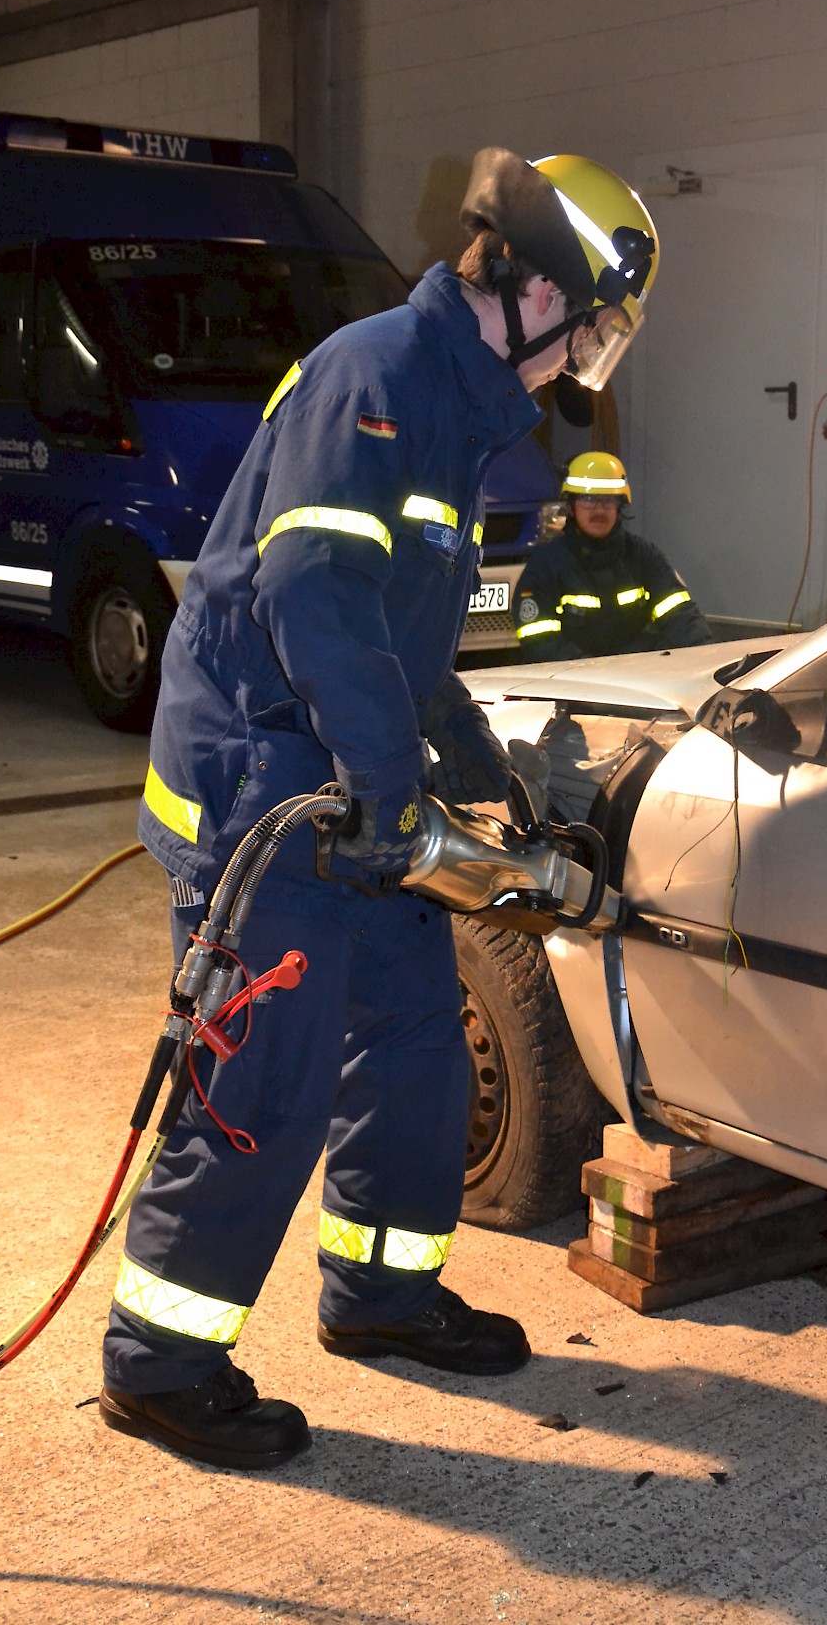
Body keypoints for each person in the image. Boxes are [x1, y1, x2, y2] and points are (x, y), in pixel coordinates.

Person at [97, 147, 661, 1470]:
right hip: (264, 790)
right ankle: (160, 1362)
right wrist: (399, 800)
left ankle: (382, 1295)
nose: (579, 364)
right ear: (528, 290)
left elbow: (409, 654)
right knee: (265, 1077)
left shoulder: (456, 419)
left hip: (350, 783)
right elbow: (313, 604)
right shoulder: (377, 380)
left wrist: (495, 791)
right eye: (585, 330)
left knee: (411, 1037)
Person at [512, 451, 713, 660]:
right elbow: (541, 644)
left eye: (608, 500)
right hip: (572, 682)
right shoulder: (545, 566)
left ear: (620, 507)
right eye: (589, 500)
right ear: (571, 507)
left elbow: (682, 618)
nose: (599, 509)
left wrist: (705, 659)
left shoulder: (644, 556)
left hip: (633, 673)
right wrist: (593, 673)